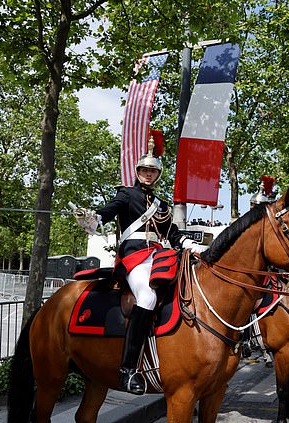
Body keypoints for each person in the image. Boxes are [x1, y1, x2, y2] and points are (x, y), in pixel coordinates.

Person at [74, 135, 205, 395]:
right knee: (146, 296)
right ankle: (128, 369)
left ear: (158, 175)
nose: (148, 174)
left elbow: (173, 234)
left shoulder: (162, 204)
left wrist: (190, 244)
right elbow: (107, 212)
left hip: (158, 256)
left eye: (152, 171)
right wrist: (93, 218)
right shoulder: (126, 195)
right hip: (134, 257)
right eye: (144, 170)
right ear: (138, 172)